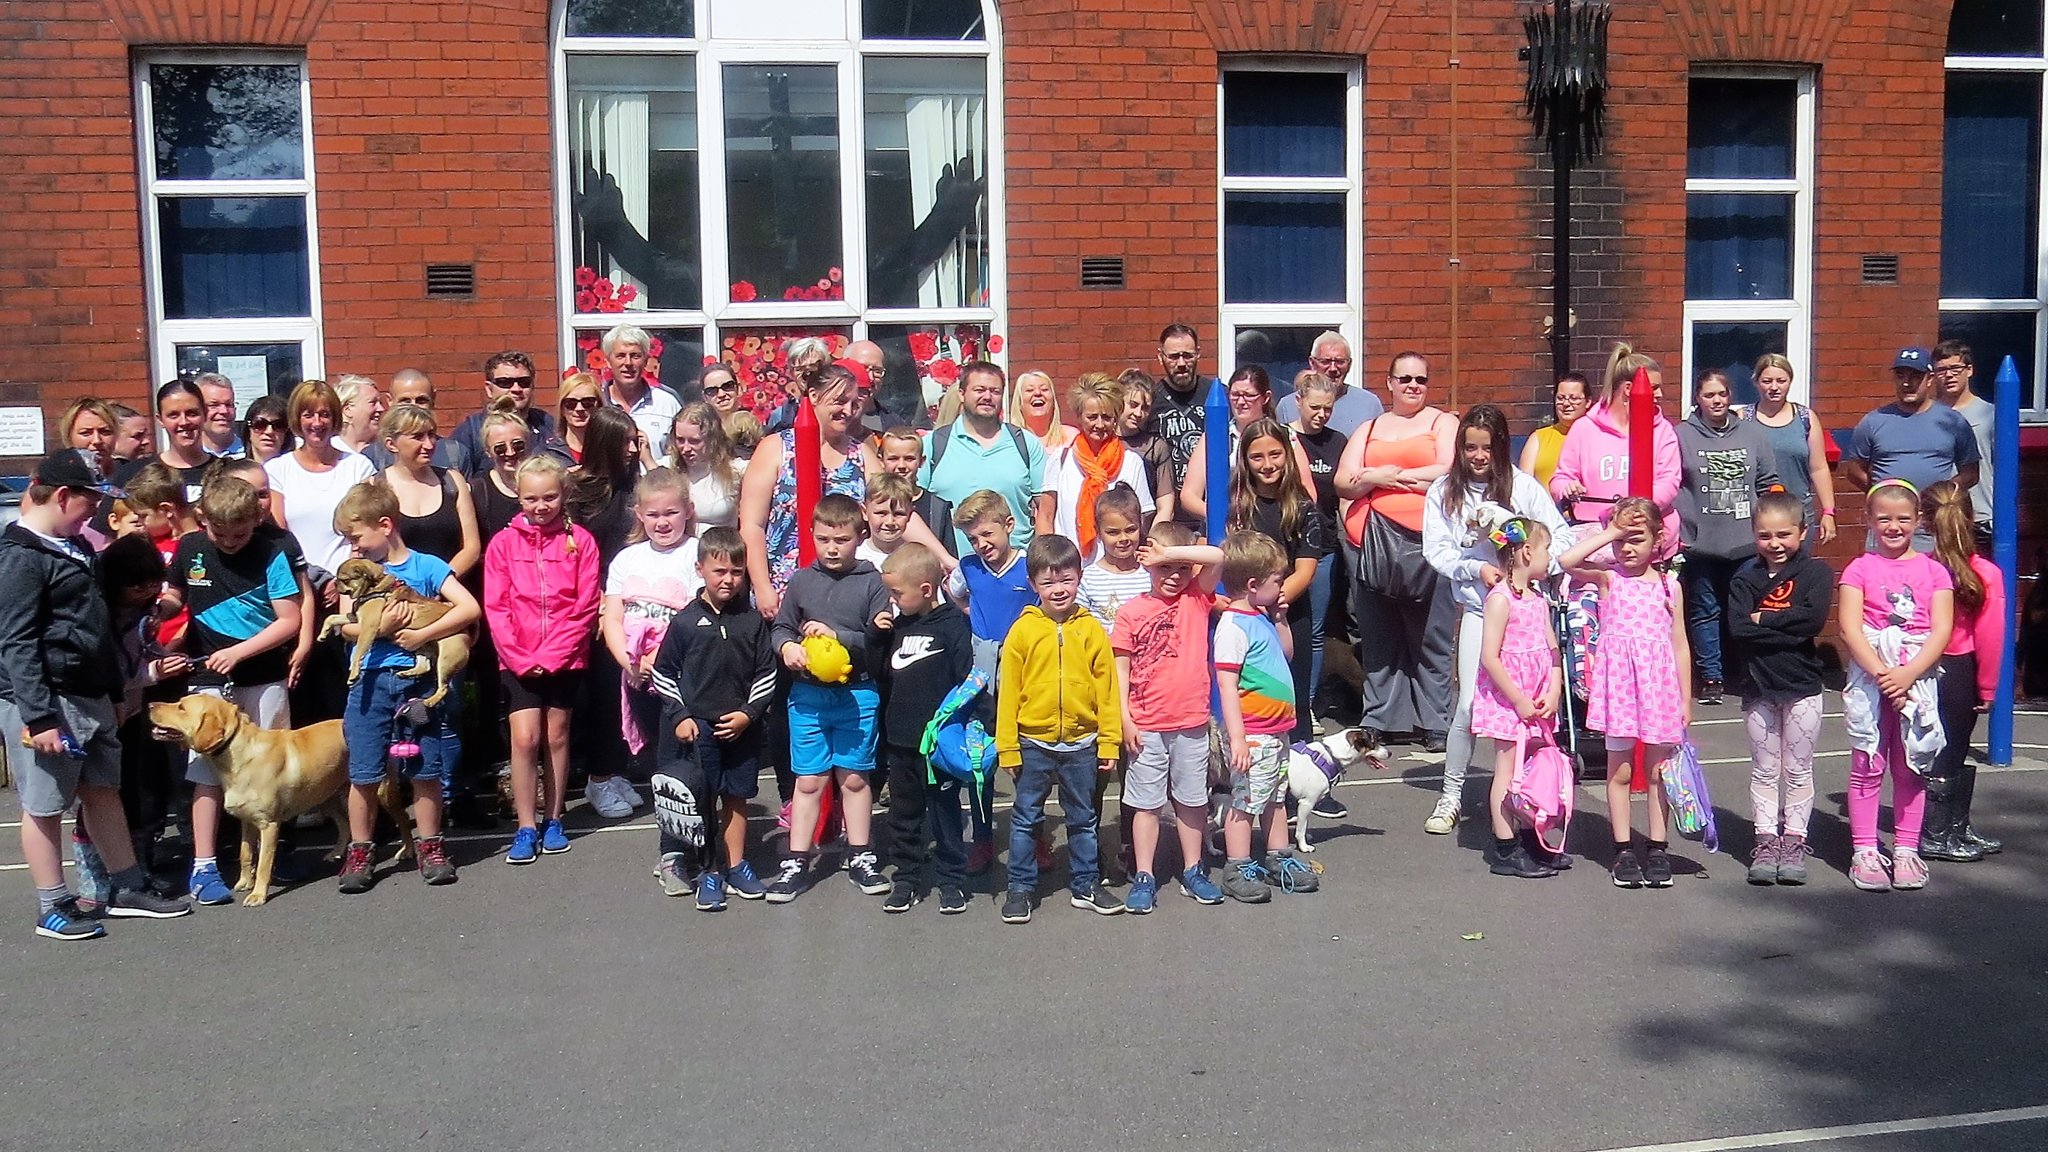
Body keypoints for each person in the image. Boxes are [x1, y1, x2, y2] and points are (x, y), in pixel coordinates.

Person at [0, 450, 193, 939]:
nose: (95, 512)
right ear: (63, 496)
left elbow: (96, 627)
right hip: (48, 699)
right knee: (43, 804)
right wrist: (39, 717)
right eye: (90, 501)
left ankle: (125, 887)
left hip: (88, 693)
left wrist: (112, 690)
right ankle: (53, 904)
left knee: (103, 790)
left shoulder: (71, 547)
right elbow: (17, 640)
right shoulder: (22, 556)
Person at [1422, 404, 1571, 835]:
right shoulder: (1443, 491)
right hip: (1479, 610)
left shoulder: (1522, 487)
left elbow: (1557, 537)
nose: (1478, 455)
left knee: (1530, 712)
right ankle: (1451, 795)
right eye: (1470, 447)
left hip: (1525, 613)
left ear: (1501, 446)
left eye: (1487, 447)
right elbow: (1438, 550)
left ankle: (1528, 795)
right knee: (1469, 705)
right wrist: (1476, 568)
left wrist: (1526, 551)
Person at [330, 482, 478, 891]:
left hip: (417, 680)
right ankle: (361, 850)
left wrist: (419, 634)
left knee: (425, 767)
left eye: (356, 537)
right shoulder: (357, 572)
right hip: (369, 681)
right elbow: (348, 628)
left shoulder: (426, 566)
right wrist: (383, 629)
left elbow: (468, 609)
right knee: (363, 771)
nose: (353, 547)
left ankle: (430, 845)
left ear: (385, 524)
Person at [165, 476, 302, 906]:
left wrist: (240, 652)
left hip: (263, 676)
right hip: (207, 676)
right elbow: (175, 594)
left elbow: (289, 620)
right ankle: (205, 864)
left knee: (272, 769)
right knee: (205, 770)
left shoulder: (271, 551)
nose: (228, 542)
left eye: (239, 533)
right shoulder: (190, 548)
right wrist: (160, 610)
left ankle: (274, 854)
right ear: (202, 518)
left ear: (256, 518)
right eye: (218, 533)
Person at [765, 494, 893, 903]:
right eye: (823, 540)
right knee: (809, 780)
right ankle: (796, 861)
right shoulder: (802, 580)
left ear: (860, 535)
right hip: (808, 697)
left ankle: (860, 855)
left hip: (857, 694)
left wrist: (841, 636)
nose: (832, 548)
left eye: (841, 539)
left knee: (854, 778)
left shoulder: (873, 581)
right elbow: (781, 628)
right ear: (812, 536)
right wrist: (787, 648)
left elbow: (880, 640)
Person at [1559, 496, 1690, 891]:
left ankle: (1657, 847)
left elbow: (1680, 644)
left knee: (1655, 772)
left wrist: (1686, 699)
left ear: (1658, 539)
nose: (1627, 548)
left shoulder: (1670, 586)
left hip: (1659, 689)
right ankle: (1622, 849)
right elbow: (1566, 562)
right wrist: (1610, 532)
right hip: (1619, 689)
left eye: (1636, 538)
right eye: (1621, 540)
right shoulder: (1608, 579)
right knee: (1620, 770)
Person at [995, 534, 1124, 923]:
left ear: (1079, 578)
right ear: (1033, 584)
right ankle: (1020, 887)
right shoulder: (1023, 631)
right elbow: (1008, 693)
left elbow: (1107, 689)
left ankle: (1086, 883)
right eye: (1048, 582)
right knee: (1026, 818)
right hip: (1033, 742)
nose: (1059, 589)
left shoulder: (1091, 630)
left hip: (1082, 743)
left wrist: (1109, 742)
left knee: (1083, 818)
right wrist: (1008, 747)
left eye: (1066, 579)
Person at [1335, 351, 1457, 749]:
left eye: (1420, 380)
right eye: (1404, 379)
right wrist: (1377, 479)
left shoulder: (1443, 423)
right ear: (1389, 383)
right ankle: (1381, 719)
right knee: (1379, 636)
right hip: (1370, 543)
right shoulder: (1369, 428)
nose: (1412, 386)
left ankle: (1435, 722)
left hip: (1430, 545)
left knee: (1430, 637)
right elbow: (1343, 482)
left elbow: (1448, 470)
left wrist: (1382, 477)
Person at [1837, 479, 1953, 892]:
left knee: (1911, 767)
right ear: (1868, 519)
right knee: (1868, 764)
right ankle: (1865, 850)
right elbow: (1850, 628)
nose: (1893, 526)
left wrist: (1907, 675)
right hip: (1872, 680)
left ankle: (1906, 849)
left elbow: (1941, 631)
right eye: (1883, 518)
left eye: (1903, 518)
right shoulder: (1859, 568)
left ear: (1917, 520)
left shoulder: (1935, 571)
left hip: (1917, 679)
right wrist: (1885, 677)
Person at [484, 454, 601, 865]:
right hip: (518, 658)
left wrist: (553, 654)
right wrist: (520, 657)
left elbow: (586, 606)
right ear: (518, 497)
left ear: (564, 495)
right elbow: (496, 607)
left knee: (556, 735)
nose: (540, 506)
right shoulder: (502, 543)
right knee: (524, 738)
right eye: (531, 498)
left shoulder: (581, 541)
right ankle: (525, 824)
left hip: (565, 657)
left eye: (549, 497)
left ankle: (553, 819)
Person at [650, 526, 775, 907]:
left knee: (736, 796)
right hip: (698, 728)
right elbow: (663, 672)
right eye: (720, 571)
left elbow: (766, 673)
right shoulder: (685, 622)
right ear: (700, 568)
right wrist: (681, 716)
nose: (729, 579)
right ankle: (709, 871)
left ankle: (736, 865)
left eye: (737, 572)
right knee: (702, 801)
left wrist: (748, 714)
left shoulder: (752, 621)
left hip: (740, 727)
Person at [1111, 522, 1227, 912]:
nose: (1173, 576)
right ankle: (1145, 873)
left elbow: (1218, 557)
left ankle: (1194, 869)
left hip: (1192, 720)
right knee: (1146, 804)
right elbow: (1120, 670)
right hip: (1146, 723)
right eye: (1163, 568)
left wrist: (1172, 554)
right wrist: (1125, 719)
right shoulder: (1131, 612)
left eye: (1180, 568)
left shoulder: (1197, 598)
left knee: (1193, 801)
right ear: (1148, 566)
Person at [1725, 490, 1831, 886]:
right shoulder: (1744, 577)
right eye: (1765, 535)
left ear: (1802, 533)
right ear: (1755, 535)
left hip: (1802, 684)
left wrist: (1764, 618)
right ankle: (1766, 839)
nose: (1775, 544)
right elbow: (1738, 629)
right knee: (1766, 770)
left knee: (1799, 769)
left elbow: (1812, 621)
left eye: (1784, 535)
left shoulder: (1816, 574)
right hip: (1758, 686)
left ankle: (1794, 841)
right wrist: (1784, 622)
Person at [1213, 529, 1318, 903]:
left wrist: (1280, 620)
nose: (1284, 585)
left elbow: (1285, 654)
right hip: (1253, 734)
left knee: (1275, 797)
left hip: (1277, 732)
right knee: (1246, 801)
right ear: (1254, 584)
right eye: (1278, 580)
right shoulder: (1233, 627)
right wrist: (1237, 737)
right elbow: (1226, 686)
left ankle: (1279, 856)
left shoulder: (1260, 617)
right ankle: (1238, 865)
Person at [876, 543, 974, 914]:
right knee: (904, 814)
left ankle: (952, 879)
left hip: (939, 743)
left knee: (946, 812)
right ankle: (907, 878)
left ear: (926, 590)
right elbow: (883, 673)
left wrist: (977, 724)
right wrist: (877, 638)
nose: (892, 600)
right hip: (901, 738)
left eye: (897, 593)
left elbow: (967, 679)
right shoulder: (898, 627)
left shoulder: (952, 626)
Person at [944, 490, 1039, 871]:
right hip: (982, 673)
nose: (982, 544)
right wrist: (972, 617)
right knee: (981, 758)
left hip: (1025, 671)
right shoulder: (968, 568)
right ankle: (982, 839)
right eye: (973, 538)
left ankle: (1036, 836)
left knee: (1026, 760)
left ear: (1009, 526)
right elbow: (951, 595)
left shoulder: (1029, 567)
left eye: (987, 534)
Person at [599, 468, 699, 819]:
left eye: (671, 513)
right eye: (653, 515)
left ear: (688, 510)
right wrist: (628, 662)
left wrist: (658, 659)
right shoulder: (628, 559)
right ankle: (671, 831)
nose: (662, 522)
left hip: (683, 677)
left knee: (688, 757)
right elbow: (612, 617)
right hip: (638, 676)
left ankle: (697, 830)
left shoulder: (696, 554)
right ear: (639, 514)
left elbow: (693, 616)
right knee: (660, 758)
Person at [1468, 517, 1565, 878]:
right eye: (1546, 550)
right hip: (1509, 699)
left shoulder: (1539, 599)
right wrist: (1518, 698)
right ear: (1526, 552)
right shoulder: (1500, 600)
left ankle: (1530, 838)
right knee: (1508, 772)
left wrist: (1553, 688)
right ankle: (1505, 845)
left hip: (1538, 697)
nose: (1549, 558)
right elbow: (1490, 657)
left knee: (1531, 771)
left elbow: (1552, 649)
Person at [1676, 369, 1780, 705]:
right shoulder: (1681, 435)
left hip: (1745, 542)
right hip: (1701, 541)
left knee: (1746, 607)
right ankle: (1711, 676)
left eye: (1722, 394)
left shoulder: (1752, 435)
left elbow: (1769, 482)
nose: (1717, 400)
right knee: (1704, 609)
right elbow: (1669, 482)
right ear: (1697, 398)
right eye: (1709, 395)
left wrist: (1773, 522)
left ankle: (1749, 671)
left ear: (1730, 395)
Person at [740, 363, 878, 617]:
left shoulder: (862, 455)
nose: (847, 411)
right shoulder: (775, 448)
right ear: (813, 396)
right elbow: (752, 525)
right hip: (784, 590)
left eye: (854, 404)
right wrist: (762, 587)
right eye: (839, 401)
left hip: (845, 594)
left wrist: (942, 557)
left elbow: (890, 510)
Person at [1919, 480, 2004, 862]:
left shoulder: (1924, 569)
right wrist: (1988, 687)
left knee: (1944, 749)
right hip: (1960, 668)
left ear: (1924, 521)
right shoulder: (1983, 572)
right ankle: (1937, 833)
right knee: (1953, 749)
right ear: (1971, 518)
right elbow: (1991, 635)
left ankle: (1954, 825)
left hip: (1928, 668)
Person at [1226, 419, 1322, 743]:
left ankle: (1298, 782)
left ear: (1287, 455)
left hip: (1288, 614)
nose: (1268, 465)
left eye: (1275, 454)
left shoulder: (1303, 508)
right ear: (1245, 461)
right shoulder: (1237, 506)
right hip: (1244, 617)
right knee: (1249, 697)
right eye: (1257, 457)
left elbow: (1306, 570)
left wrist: (1273, 602)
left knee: (1292, 697)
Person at [1549, 343, 1682, 554]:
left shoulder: (1663, 430)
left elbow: (1669, 482)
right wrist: (1567, 487)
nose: (1660, 394)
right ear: (1629, 389)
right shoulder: (1584, 428)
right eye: (1654, 387)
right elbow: (1560, 479)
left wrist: (1634, 513)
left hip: (1647, 541)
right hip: (1596, 541)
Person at [920, 360, 1051, 553]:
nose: (987, 397)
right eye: (979, 390)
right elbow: (912, 508)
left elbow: (1046, 513)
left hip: (1014, 568)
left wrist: (1041, 561)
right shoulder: (934, 444)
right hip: (949, 568)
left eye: (995, 391)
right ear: (962, 394)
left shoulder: (1026, 443)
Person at [265, 379, 378, 585]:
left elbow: (368, 529)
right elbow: (279, 536)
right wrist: (312, 579)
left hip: (350, 584)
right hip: (296, 582)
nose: (317, 423)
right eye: (308, 415)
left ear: (335, 418)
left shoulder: (358, 466)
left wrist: (343, 579)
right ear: (297, 419)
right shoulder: (277, 470)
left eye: (324, 414)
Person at [1178, 365, 1316, 529]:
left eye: (1249, 396)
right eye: (1235, 395)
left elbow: (1308, 493)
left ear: (1266, 397)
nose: (1241, 402)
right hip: (1227, 532)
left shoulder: (1286, 437)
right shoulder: (1215, 437)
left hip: (1275, 527)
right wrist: (1225, 517)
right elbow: (1189, 495)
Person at [1842, 347, 1980, 501]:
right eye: (1901, 376)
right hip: (1891, 520)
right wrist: (1882, 494)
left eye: (1915, 376)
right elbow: (1854, 471)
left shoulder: (1952, 421)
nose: (1907, 384)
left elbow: (1970, 473)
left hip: (1935, 517)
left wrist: (1943, 495)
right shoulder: (1873, 421)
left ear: (1930, 379)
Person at [1287, 372, 1346, 729]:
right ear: (1298, 401)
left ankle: (1305, 705)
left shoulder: (1338, 441)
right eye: (1315, 407)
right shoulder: (1285, 438)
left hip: (1324, 545)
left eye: (1328, 408)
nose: (1321, 415)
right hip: (1288, 544)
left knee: (1315, 629)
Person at [1045, 373, 1154, 563]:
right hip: (1069, 570)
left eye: (1106, 417)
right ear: (1079, 418)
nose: (1099, 424)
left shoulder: (1132, 462)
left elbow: (1142, 520)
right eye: (1092, 417)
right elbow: (1045, 517)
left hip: (1117, 571)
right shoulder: (1060, 459)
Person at [1741, 354, 1836, 544]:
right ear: (1756, 383)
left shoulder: (1805, 417)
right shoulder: (1743, 418)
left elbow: (1818, 468)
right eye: (1767, 381)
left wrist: (1828, 512)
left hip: (1798, 516)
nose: (1774, 387)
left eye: (1781, 381)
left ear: (1790, 382)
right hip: (1756, 518)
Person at [377, 405, 480, 578]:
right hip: (398, 596)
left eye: (431, 435)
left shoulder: (452, 481)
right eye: (418, 437)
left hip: (452, 593)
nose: (429, 444)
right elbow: (368, 549)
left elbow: (472, 547)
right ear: (391, 444)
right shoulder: (376, 487)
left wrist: (441, 584)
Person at [451, 352, 559, 478]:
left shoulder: (548, 425)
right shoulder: (469, 433)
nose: (516, 389)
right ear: (489, 389)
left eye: (524, 382)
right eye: (505, 382)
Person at [1931, 341, 1996, 544]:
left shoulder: (1992, 415)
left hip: (1980, 516)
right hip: (1938, 515)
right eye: (1941, 370)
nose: (1948, 375)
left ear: (1969, 370)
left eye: (1955, 368)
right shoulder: (1927, 415)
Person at [1275, 330, 1384, 436]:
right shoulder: (1288, 406)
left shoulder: (1369, 404)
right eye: (1325, 361)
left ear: (1349, 364)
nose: (1333, 368)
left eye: (1340, 362)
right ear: (1312, 363)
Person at [602, 323, 684, 464]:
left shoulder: (666, 403)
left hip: (656, 483)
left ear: (646, 361)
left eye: (635, 356)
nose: (628, 363)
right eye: (620, 356)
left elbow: (680, 456)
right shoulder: (597, 403)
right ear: (608, 361)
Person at [119, 380, 214, 499]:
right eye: (173, 415)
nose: (184, 422)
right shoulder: (133, 474)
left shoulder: (226, 472)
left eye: (192, 413)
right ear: (160, 420)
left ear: (205, 414)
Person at [367, 369, 472, 474]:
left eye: (421, 401)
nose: (413, 406)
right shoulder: (372, 457)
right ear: (390, 401)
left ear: (433, 399)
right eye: (405, 401)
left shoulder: (455, 453)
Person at [1150, 323, 1208, 508]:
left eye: (1187, 355)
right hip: (1167, 508)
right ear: (1161, 357)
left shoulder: (1218, 395)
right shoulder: (1150, 401)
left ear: (1198, 353)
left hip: (1210, 504)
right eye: (1174, 357)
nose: (1181, 364)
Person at [669, 401, 742, 535]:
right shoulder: (668, 468)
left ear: (712, 438)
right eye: (680, 440)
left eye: (694, 441)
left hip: (722, 550)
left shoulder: (737, 470)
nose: (685, 449)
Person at [1117, 369, 1175, 527]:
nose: (1139, 413)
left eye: (1145, 408)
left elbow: (1166, 504)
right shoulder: (1103, 440)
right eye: (1133, 405)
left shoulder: (1156, 446)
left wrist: (1152, 539)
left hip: (1145, 528)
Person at [1516, 372, 1590, 489]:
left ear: (1588, 402)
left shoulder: (1596, 437)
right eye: (1560, 398)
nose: (1566, 404)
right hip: (1543, 506)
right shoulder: (1538, 438)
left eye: (1573, 398)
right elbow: (1524, 486)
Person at [857, 473, 917, 575]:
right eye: (881, 513)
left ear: (910, 514)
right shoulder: (855, 558)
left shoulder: (918, 559)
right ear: (864, 512)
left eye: (899, 514)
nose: (890, 522)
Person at [1010, 369, 1074, 455]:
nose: (1037, 393)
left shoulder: (1071, 437)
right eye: (1030, 390)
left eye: (1044, 389)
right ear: (1019, 401)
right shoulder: (1008, 440)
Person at [333, 375, 387, 457]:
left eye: (380, 403)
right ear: (348, 410)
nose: (381, 409)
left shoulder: (388, 450)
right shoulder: (330, 452)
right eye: (373, 402)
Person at [62, 398, 118, 477]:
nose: (97, 441)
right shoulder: (57, 477)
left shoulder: (130, 476)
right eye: (85, 433)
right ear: (69, 436)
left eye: (105, 432)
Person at [194, 373, 246, 458]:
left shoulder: (250, 454)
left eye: (228, 404)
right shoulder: (187, 458)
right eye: (213, 405)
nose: (224, 411)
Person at [555, 372, 603, 465]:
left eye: (587, 402)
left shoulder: (610, 452)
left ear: (599, 406)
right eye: (571, 403)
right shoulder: (548, 454)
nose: (579, 409)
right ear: (562, 408)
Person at [242, 395, 292, 465]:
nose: (269, 431)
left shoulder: (297, 472)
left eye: (278, 425)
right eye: (260, 424)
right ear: (248, 430)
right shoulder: (232, 471)